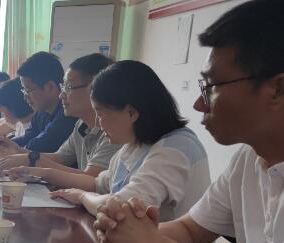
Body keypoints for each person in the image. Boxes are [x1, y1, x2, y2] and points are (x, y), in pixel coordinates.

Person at [95, 0, 284, 243]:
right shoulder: (247, 160)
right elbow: (189, 229)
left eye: (210, 87)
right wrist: (127, 232)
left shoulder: (178, 144)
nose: (199, 103)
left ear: (277, 88)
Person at [47, 60, 209, 219]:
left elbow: (119, 208)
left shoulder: (176, 149)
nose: (97, 122)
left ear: (131, 113)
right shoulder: (133, 146)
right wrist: (42, 173)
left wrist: (82, 196)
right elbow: (97, 184)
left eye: (100, 114)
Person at [0, 53, 120, 180]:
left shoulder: (114, 130)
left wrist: (32, 160)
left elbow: (92, 179)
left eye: (69, 87)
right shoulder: (81, 125)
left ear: (94, 89)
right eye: (63, 87)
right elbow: (60, 157)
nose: (61, 95)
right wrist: (20, 152)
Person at [0, 52, 76, 153]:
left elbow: (38, 145)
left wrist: (0, 148)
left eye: (28, 90)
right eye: (24, 91)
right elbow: (27, 138)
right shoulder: (41, 113)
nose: (25, 97)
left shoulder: (67, 115)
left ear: (49, 87)